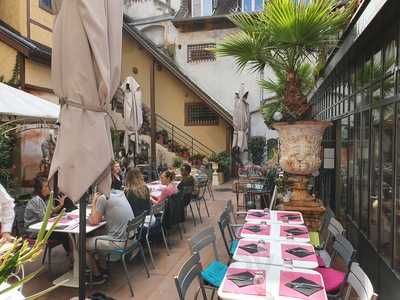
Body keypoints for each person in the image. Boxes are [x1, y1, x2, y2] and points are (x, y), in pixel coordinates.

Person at [86, 188, 134, 284]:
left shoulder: (103, 198)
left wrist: (94, 201)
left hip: (120, 242)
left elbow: (94, 221)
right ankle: (103, 269)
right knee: (99, 234)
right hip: (131, 239)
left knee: (81, 244)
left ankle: (97, 276)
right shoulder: (120, 193)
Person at [24, 176, 70, 253]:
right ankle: (72, 256)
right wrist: (59, 217)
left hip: (44, 228)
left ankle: (72, 256)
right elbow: (45, 218)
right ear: (40, 189)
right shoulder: (36, 200)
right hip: (35, 232)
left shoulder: (44, 199)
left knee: (66, 233)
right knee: (64, 234)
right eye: (46, 186)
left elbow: (51, 211)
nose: (49, 188)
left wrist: (61, 205)